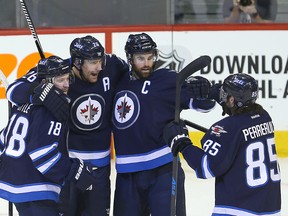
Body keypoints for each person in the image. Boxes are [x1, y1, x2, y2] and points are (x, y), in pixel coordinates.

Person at [5, 35, 129, 215]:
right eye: (93, 62)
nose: (99, 67)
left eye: (100, 60)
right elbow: (13, 91)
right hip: (66, 167)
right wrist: (40, 92)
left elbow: (137, 79)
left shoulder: (111, 66)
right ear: (77, 62)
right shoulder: (58, 72)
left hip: (99, 168)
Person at [111, 32, 216, 215]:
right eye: (140, 58)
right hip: (127, 175)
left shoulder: (166, 79)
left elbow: (204, 106)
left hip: (163, 170)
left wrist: (202, 93)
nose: (147, 63)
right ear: (130, 58)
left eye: (150, 57)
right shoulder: (118, 82)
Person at [163, 73, 281, 215]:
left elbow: (206, 168)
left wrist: (182, 143)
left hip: (237, 210)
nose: (223, 97)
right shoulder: (264, 116)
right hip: (270, 209)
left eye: (225, 95)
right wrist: (215, 93)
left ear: (232, 99)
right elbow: (240, 125)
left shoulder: (225, 128)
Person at [0, 56, 96, 216]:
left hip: (15, 185)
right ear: (45, 83)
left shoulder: (25, 104)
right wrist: (75, 171)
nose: (66, 85)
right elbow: (42, 156)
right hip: (35, 187)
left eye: (67, 79)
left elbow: (4, 139)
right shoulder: (52, 109)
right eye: (60, 80)